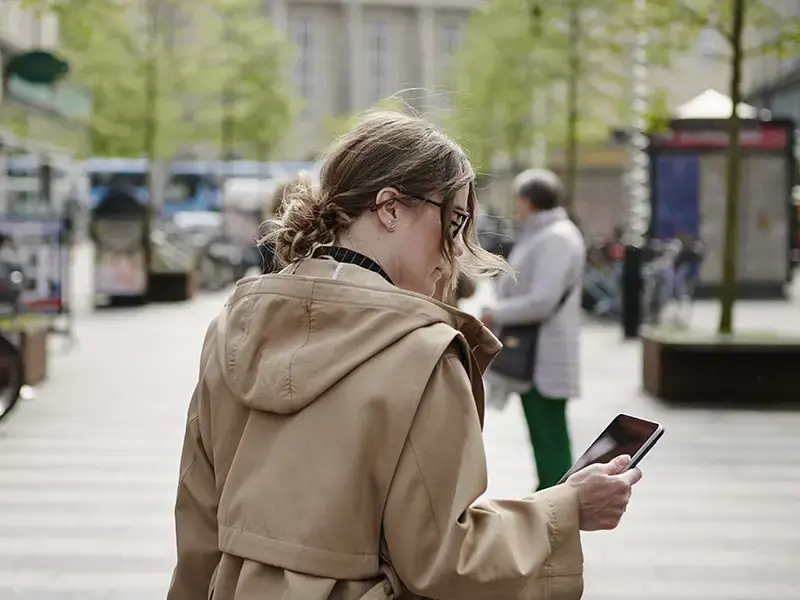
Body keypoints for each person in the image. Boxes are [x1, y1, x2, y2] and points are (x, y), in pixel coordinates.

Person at [167, 112, 641, 600]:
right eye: (454, 221)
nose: (455, 250)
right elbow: (445, 557)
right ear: (390, 208)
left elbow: (198, 524)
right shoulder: (422, 353)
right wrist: (567, 509)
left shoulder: (235, 327)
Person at [482, 169, 586, 491]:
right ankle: (553, 503)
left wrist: (495, 312)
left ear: (526, 201)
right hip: (537, 355)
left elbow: (542, 300)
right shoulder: (549, 234)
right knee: (545, 436)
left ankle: (558, 505)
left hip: (543, 357)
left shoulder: (555, 237)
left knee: (550, 437)